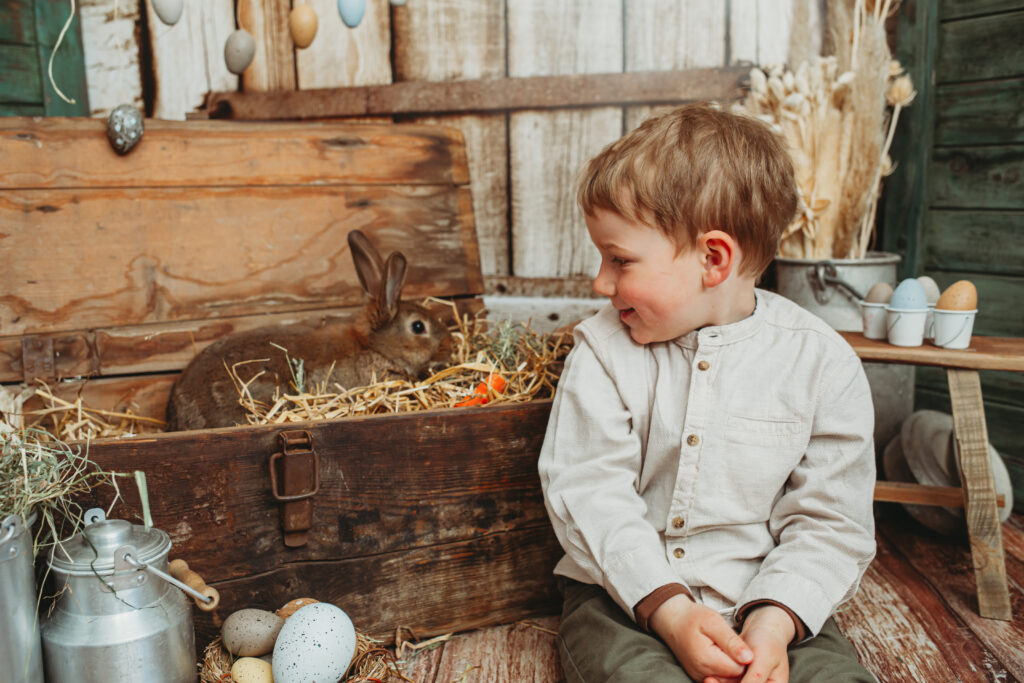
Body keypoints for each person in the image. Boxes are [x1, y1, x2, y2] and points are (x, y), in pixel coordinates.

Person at [538, 103, 877, 683]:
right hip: (625, 599)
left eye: (619, 260)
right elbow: (588, 489)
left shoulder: (822, 364)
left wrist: (772, 624)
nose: (600, 282)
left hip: (765, 597)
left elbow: (831, 521)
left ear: (712, 259)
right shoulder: (601, 350)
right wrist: (669, 612)